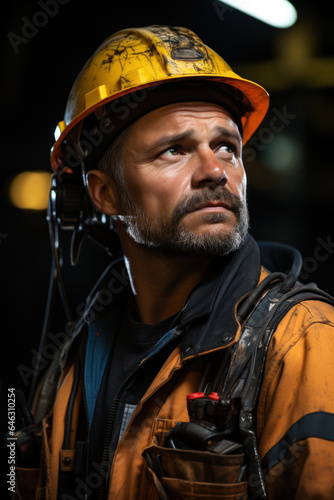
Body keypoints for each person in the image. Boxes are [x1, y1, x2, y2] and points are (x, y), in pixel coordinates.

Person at [16, 25, 334, 500]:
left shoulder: (304, 344)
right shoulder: (73, 361)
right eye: (175, 150)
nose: (215, 171)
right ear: (105, 193)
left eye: (226, 146)